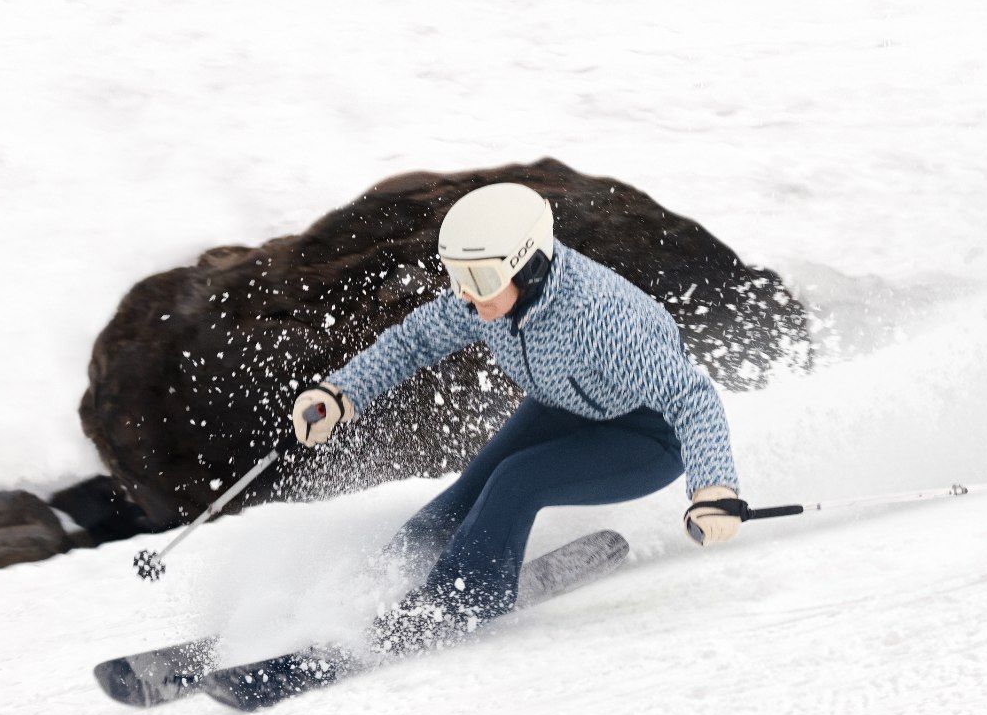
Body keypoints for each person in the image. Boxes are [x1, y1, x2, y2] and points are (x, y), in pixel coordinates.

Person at [287, 182, 748, 648]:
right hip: (567, 403)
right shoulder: (486, 299)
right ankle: (370, 591)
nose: (466, 295)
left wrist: (714, 488)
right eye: (457, 276)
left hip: (649, 433)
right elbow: (416, 341)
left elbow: (691, 397)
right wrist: (341, 393)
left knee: (516, 480)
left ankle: (460, 600)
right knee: (471, 487)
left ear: (530, 266)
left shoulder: (598, 316)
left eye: (481, 280)